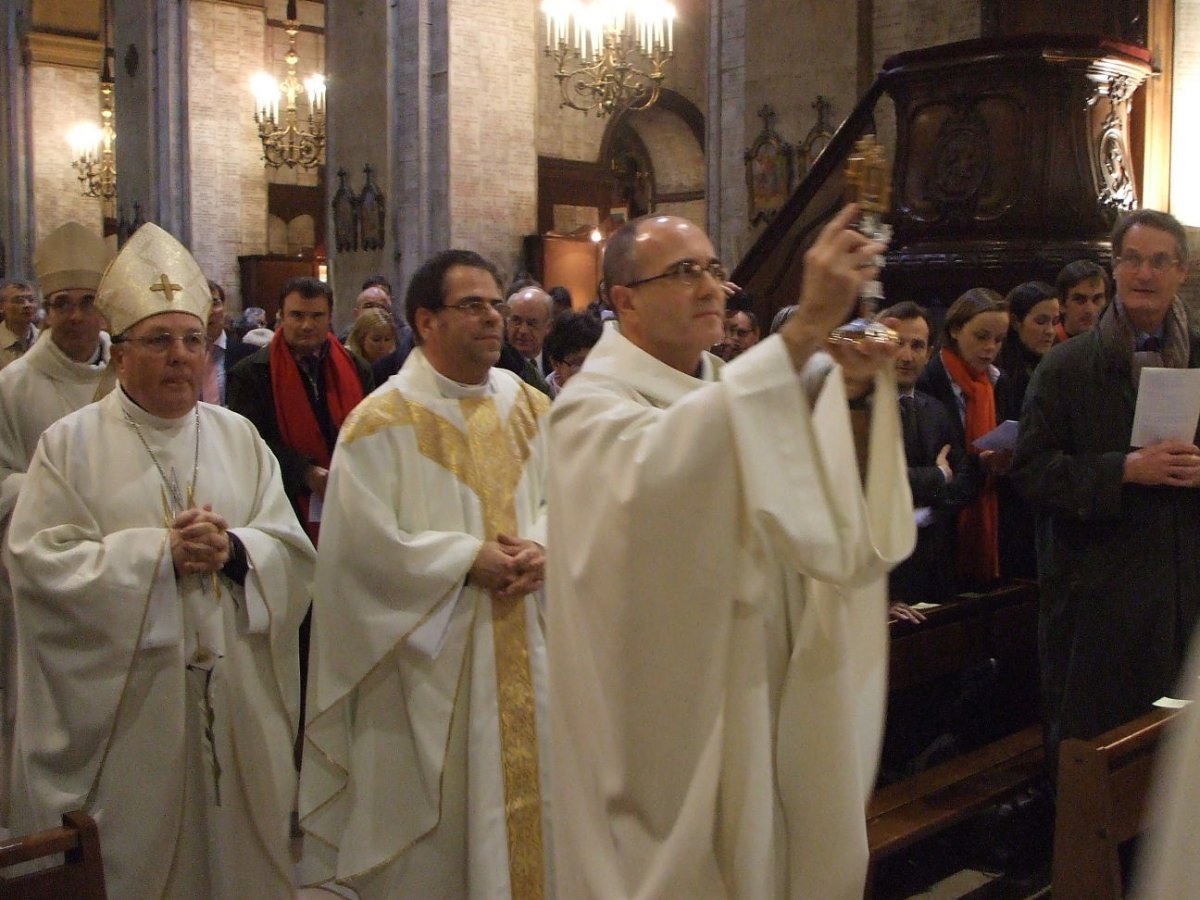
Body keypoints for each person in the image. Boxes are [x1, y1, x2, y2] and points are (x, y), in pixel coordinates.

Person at [546, 207, 915, 898]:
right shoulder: (590, 407)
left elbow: (810, 514)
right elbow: (659, 482)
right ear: (624, 300)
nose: (712, 287)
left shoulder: (728, 386)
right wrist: (805, 328)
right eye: (685, 273)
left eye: (715, 270)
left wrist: (854, 391)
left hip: (755, 675)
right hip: (669, 717)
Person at [5, 222, 315, 899]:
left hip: (234, 707)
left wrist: (236, 552)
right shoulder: (69, 447)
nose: (180, 357)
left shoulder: (238, 437)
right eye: (159, 341)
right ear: (120, 356)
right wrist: (155, 558)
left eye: (191, 340)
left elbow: (293, 553)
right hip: (132, 719)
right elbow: (38, 566)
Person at [300, 249, 553, 897]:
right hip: (426, 678)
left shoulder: (533, 407)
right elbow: (358, 553)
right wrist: (465, 559)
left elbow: (571, 500)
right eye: (473, 306)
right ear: (426, 320)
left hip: (532, 647)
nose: (493, 319)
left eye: (496, 304)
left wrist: (544, 546)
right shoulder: (380, 423)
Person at [1012, 208, 1200, 760]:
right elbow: (1032, 471)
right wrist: (1121, 469)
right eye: (1133, 260)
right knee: (1101, 769)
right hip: (1101, 609)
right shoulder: (1067, 368)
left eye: (1160, 262)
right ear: (1115, 268)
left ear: (1181, 272)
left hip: (1186, 597)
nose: (1146, 273)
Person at [0, 222, 113, 825]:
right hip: (37, 576)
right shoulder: (12, 387)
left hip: (113, 573)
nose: (74, 316)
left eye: (87, 302)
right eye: (61, 304)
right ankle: (42, 836)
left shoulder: (123, 381)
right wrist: (57, 495)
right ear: (45, 310)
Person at [226, 276, 372, 545]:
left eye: (317, 316)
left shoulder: (356, 368)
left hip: (353, 502)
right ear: (281, 316)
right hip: (284, 509)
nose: (307, 325)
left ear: (330, 317)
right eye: (297, 315)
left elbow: (373, 434)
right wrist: (305, 472)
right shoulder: (250, 374)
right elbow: (248, 446)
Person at [878, 301, 972, 611]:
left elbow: (964, 482)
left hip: (938, 572)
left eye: (917, 346)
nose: (906, 356)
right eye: (897, 344)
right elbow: (875, 484)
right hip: (884, 579)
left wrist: (937, 489)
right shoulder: (860, 412)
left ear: (929, 353)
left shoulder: (937, 410)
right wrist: (937, 477)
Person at [916, 288, 1012, 585]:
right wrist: (975, 464)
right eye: (981, 336)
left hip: (987, 507)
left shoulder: (996, 381)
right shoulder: (928, 380)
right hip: (941, 526)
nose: (990, 348)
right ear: (956, 329)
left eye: (998, 340)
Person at [995, 281, 1059, 579]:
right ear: (1017, 322)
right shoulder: (1003, 374)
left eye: (1055, 321)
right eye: (1041, 321)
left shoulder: (1054, 367)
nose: (1050, 330)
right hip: (1011, 498)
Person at [544, 310, 602, 396]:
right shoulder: (542, 398)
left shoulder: (607, 393)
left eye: (593, 361)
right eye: (578, 364)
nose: (588, 370)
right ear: (555, 364)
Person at [1054, 259, 1109, 343]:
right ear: (1061, 304)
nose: (1089, 310)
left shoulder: (1113, 345)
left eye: (1097, 299)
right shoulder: (1045, 346)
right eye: (1079, 300)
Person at [507, 285, 554, 375]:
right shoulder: (496, 362)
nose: (522, 330)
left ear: (548, 327)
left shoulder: (556, 360)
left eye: (531, 324)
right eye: (517, 321)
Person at [0, 281, 38, 370]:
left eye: (31, 300)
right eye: (19, 301)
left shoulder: (47, 340)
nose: (27, 305)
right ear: (2, 307)